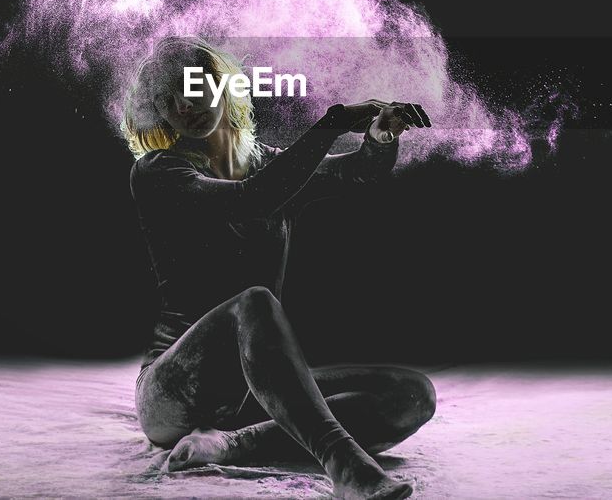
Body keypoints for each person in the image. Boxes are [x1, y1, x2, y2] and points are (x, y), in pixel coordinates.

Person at [124, 36, 435, 500]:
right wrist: (332, 122)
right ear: (159, 114)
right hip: (174, 391)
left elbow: (357, 173)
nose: (183, 103)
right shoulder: (157, 172)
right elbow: (255, 200)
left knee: (412, 395)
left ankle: (230, 445)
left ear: (219, 82)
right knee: (254, 303)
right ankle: (343, 464)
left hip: (254, 394)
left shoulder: (270, 165)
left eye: (191, 85)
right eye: (165, 99)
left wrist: (379, 136)